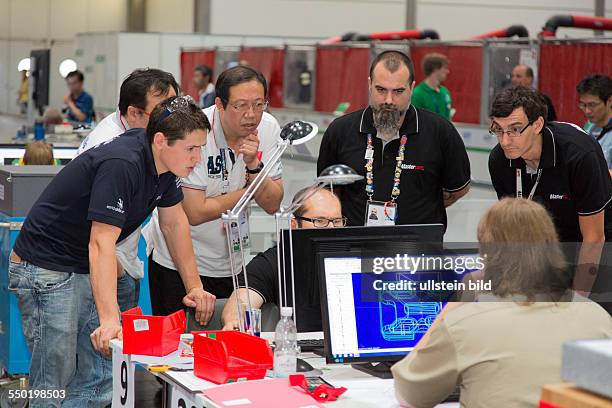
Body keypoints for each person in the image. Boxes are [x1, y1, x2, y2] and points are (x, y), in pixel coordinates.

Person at [8, 96, 215, 407]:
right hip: (45, 266)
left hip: (82, 264)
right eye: (191, 149)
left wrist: (195, 287)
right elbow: (101, 242)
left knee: (102, 376)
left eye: (201, 148)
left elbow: (174, 224)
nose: (197, 158)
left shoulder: (168, 166)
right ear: (160, 140)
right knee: (54, 379)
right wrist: (108, 318)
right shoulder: (124, 163)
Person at [391, 198, 612, 408]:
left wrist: (450, 311)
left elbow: (409, 394)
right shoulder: (598, 318)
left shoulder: (465, 325)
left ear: (486, 255)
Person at [145, 65, 284, 316]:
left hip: (232, 262)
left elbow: (273, 203)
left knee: (226, 343)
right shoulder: (196, 131)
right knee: (180, 349)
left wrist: (254, 165)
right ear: (219, 104)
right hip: (179, 264)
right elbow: (195, 212)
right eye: (240, 105)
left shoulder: (269, 129)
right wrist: (251, 190)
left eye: (259, 104)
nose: (251, 115)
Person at [317, 50, 470, 229]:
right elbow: (328, 192)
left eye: (398, 91)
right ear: (369, 84)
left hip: (419, 251)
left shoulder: (440, 131)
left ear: (412, 88)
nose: (388, 100)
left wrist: (418, 211)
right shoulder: (340, 131)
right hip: (354, 248)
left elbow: (458, 189)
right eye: (381, 90)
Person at [488, 86, 611, 300]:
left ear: (537, 124)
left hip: (596, 244)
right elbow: (515, 228)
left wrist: (578, 301)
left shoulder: (579, 155)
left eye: (515, 129)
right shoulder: (500, 160)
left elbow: (594, 238)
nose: (504, 141)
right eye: (498, 129)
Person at [75, 68, 180, 320]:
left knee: (118, 355)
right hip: (99, 266)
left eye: (175, 107)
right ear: (133, 113)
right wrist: (117, 265)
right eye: (163, 110)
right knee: (103, 353)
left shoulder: (149, 139)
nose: (173, 118)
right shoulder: (114, 150)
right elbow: (97, 236)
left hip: (118, 262)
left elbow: (174, 220)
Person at [220, 187, 344, 330]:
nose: (331, 228)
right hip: (293, 348)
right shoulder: (272, 262)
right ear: (294, 225)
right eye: (320, 221)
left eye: (337, 221)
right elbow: (240, 301)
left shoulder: (354, 260)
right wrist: (235, 321)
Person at [576, 74, 612, 175]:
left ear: (609, 101)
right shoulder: (588, 126)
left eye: (592, 105)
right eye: (583, 104)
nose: (587, 111)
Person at [411, 53, 452, 120]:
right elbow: (415, 121)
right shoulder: (418, 94)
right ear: (435, 69)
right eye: (445, 68)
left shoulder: (445, 92)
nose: (447, 71)